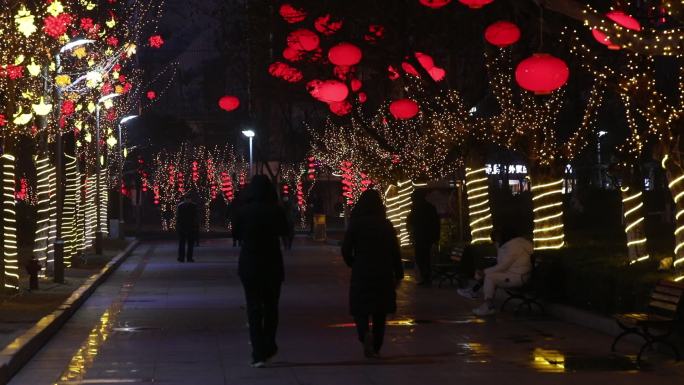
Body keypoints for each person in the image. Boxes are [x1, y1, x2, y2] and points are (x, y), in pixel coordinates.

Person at [233, 175, 290, 368]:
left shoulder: (244, 211)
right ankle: (269, 343)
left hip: (250, 264)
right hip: (272, 264)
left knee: (254, 308)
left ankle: (258, 353)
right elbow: (285, 231)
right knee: (271, 306)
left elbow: (236, 234)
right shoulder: (276, 211)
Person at [342, 190, 404, 358]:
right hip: (383, 271)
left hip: (362, 270)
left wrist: (352, 262)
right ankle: (376, 345)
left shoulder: (356, 224)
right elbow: (395, 251)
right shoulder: (386, 225)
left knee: (360, 308)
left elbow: (346, 248)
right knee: (380, 311)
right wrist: (399, 273)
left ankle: (364, 334)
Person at [457, 226, 534, 316]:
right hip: (515, 274)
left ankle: (487, 306)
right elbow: (502, 263)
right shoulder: (512, 245)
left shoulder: (514, 247)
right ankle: (475, 293)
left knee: (490, 277)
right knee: (490, 273)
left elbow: (503, 266)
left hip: (518, 277)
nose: (497, 239)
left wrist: (484, 272)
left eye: (498, 237)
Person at [406, 190, 440, 287]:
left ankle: (425, 277)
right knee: (426, 257)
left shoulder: (416, 208)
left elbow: (411, 221)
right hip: (428, 237)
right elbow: (436, 223)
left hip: (420, 236)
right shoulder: (430, 207)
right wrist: (436, 237)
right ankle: (426, 276)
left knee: (421, 257)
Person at [176, 193, 198, 262]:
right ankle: (188, 258)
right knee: (189, 243)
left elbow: (178, 217)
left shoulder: (180, 206)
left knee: (183, 243)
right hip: (189, 226)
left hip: (184, 226)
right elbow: (196, 217)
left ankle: (182, 257)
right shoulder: (193, 206)